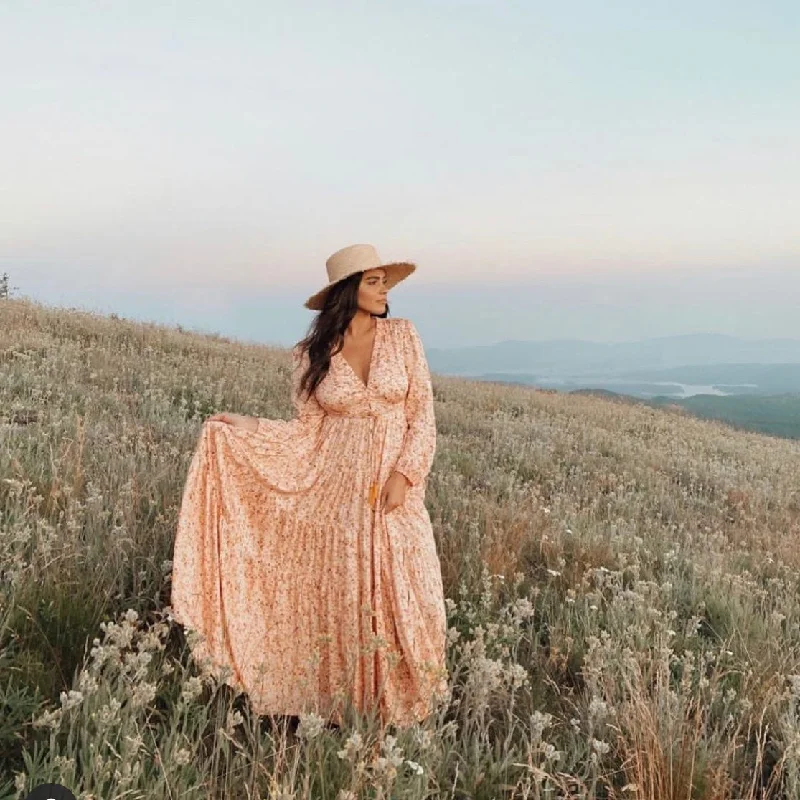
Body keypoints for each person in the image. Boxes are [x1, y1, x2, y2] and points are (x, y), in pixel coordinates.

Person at [170, 243, 449, 729]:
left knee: (409, 588)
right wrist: (246, 426)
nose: (384, 291)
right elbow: (306, 433)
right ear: (348, 290)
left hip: (393, 488)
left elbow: (422, 417)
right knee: (345, 595)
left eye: (385, 281)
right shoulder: (311, 355)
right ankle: (346, 707)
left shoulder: (403, 337)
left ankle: (403, 705)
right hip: (335, 490)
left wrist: (405, 474)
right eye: (373, 281)